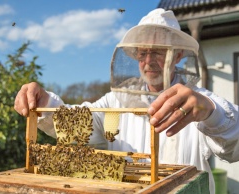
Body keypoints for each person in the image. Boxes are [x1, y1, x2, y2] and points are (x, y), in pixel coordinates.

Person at [14, 8, 239, 194]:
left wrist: (211, 112)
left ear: (178, 55)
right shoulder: (117, 103)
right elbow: (78, 125)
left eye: (157, 52)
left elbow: (234, 145)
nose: (148, 61)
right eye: (142, 53)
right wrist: (45, 103)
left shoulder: (199, 102)